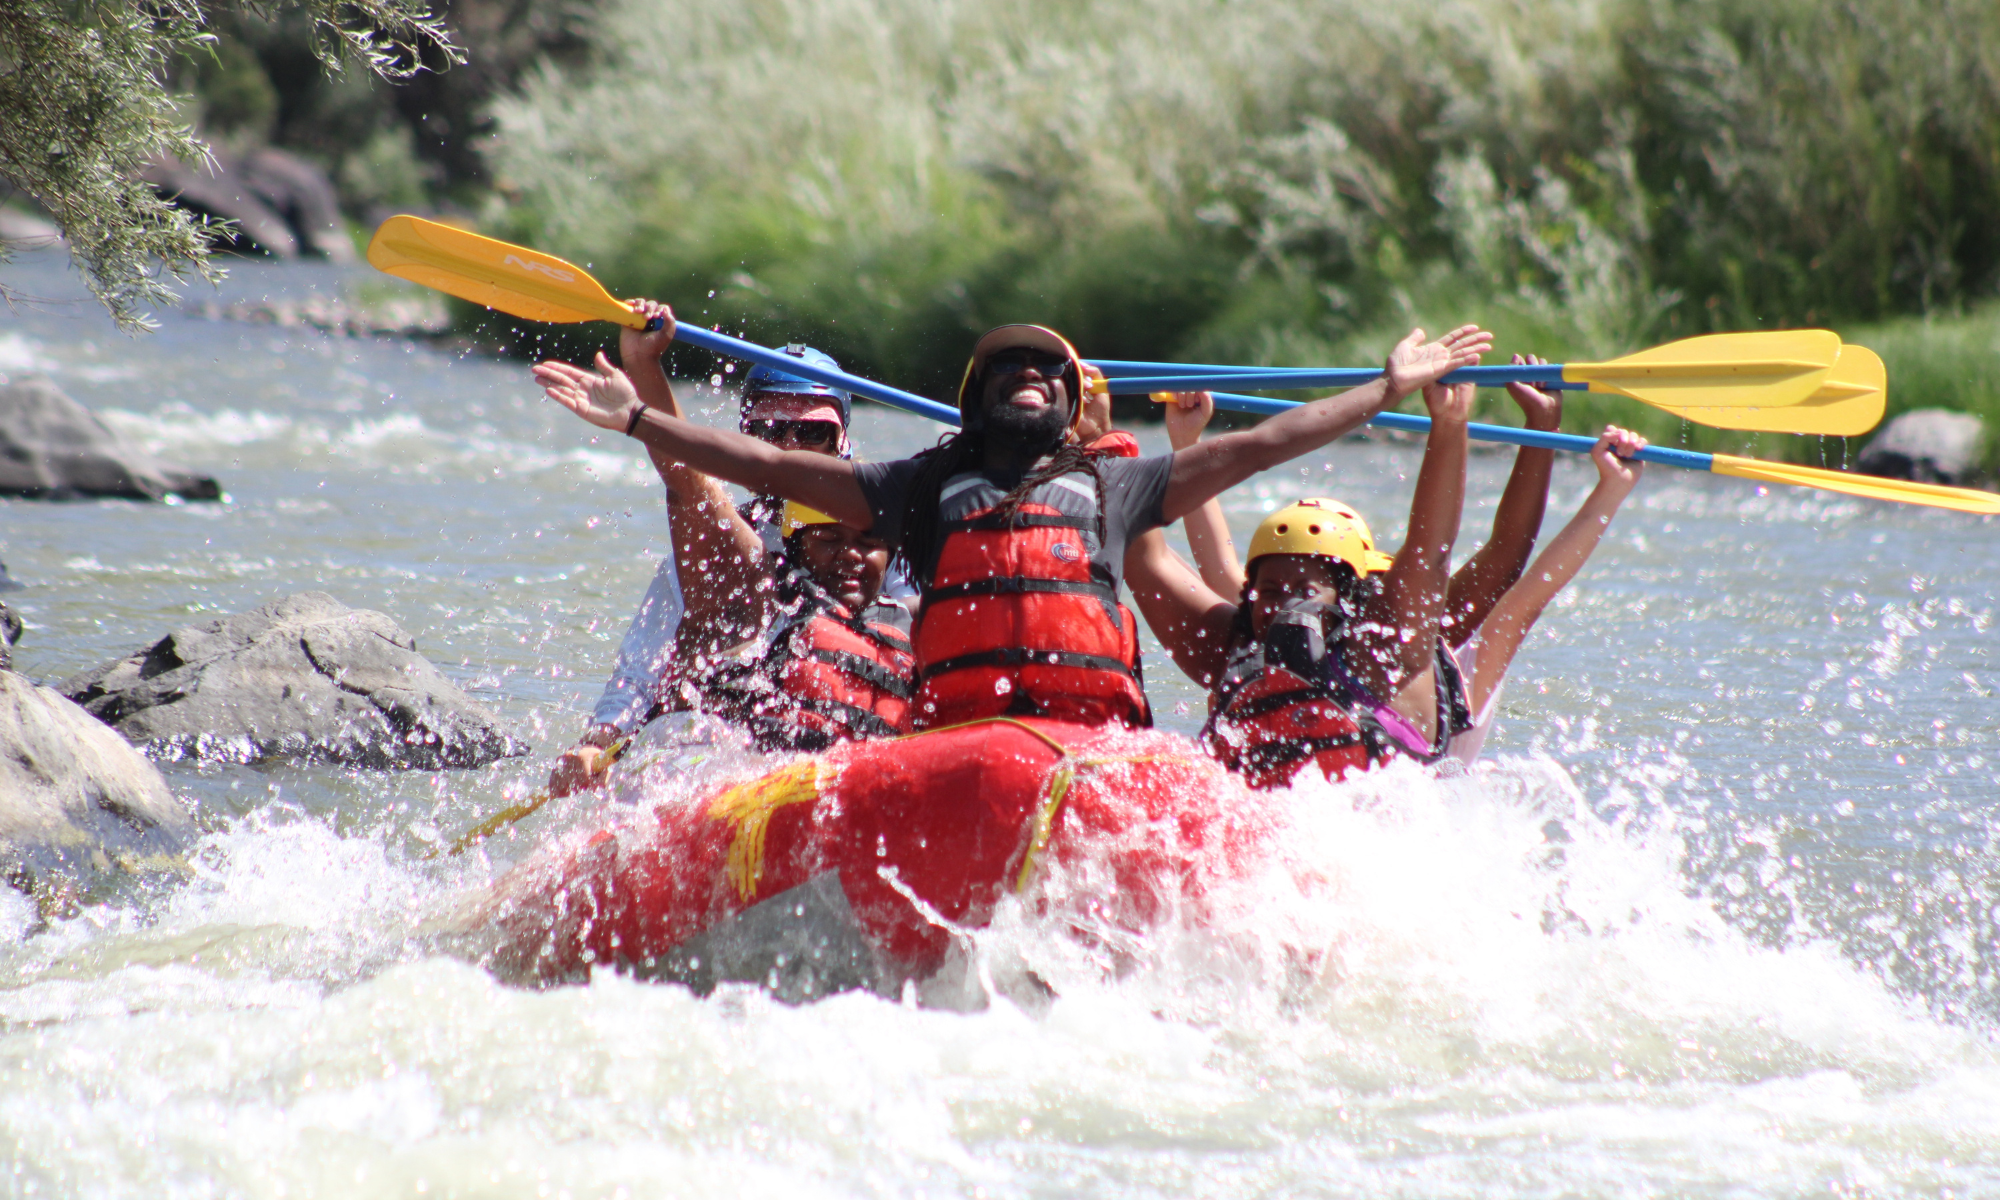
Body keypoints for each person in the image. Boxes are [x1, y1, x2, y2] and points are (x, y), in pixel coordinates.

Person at [536, 311, 1492, 731]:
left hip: (1089, 745)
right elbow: (768, 465)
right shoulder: (914, 488)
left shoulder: (1119, 491)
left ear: (1066, 401)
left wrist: (1386, 388)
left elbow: (1267, 444)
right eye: (1008, 370)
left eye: (1046, 371)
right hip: (956, 737)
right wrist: (637, 417)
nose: (1028, 377)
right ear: (976, 399)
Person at [547, 301, 870, 794]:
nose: (787, 449)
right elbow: (640, 671)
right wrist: (599, 741)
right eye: (768, 431)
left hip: (849, 739)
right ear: (746, 438)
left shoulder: (880, 537)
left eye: (810, 432)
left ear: (842, 440)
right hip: (733, 751)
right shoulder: (710, 551)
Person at [697, 500, 915, 752]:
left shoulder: (907, 626)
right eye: (828, 539)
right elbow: (685, 493)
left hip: (872, 777)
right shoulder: (768, 596)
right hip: (768, 768)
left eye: (869, 544)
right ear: (796, 548)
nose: (851, 553)